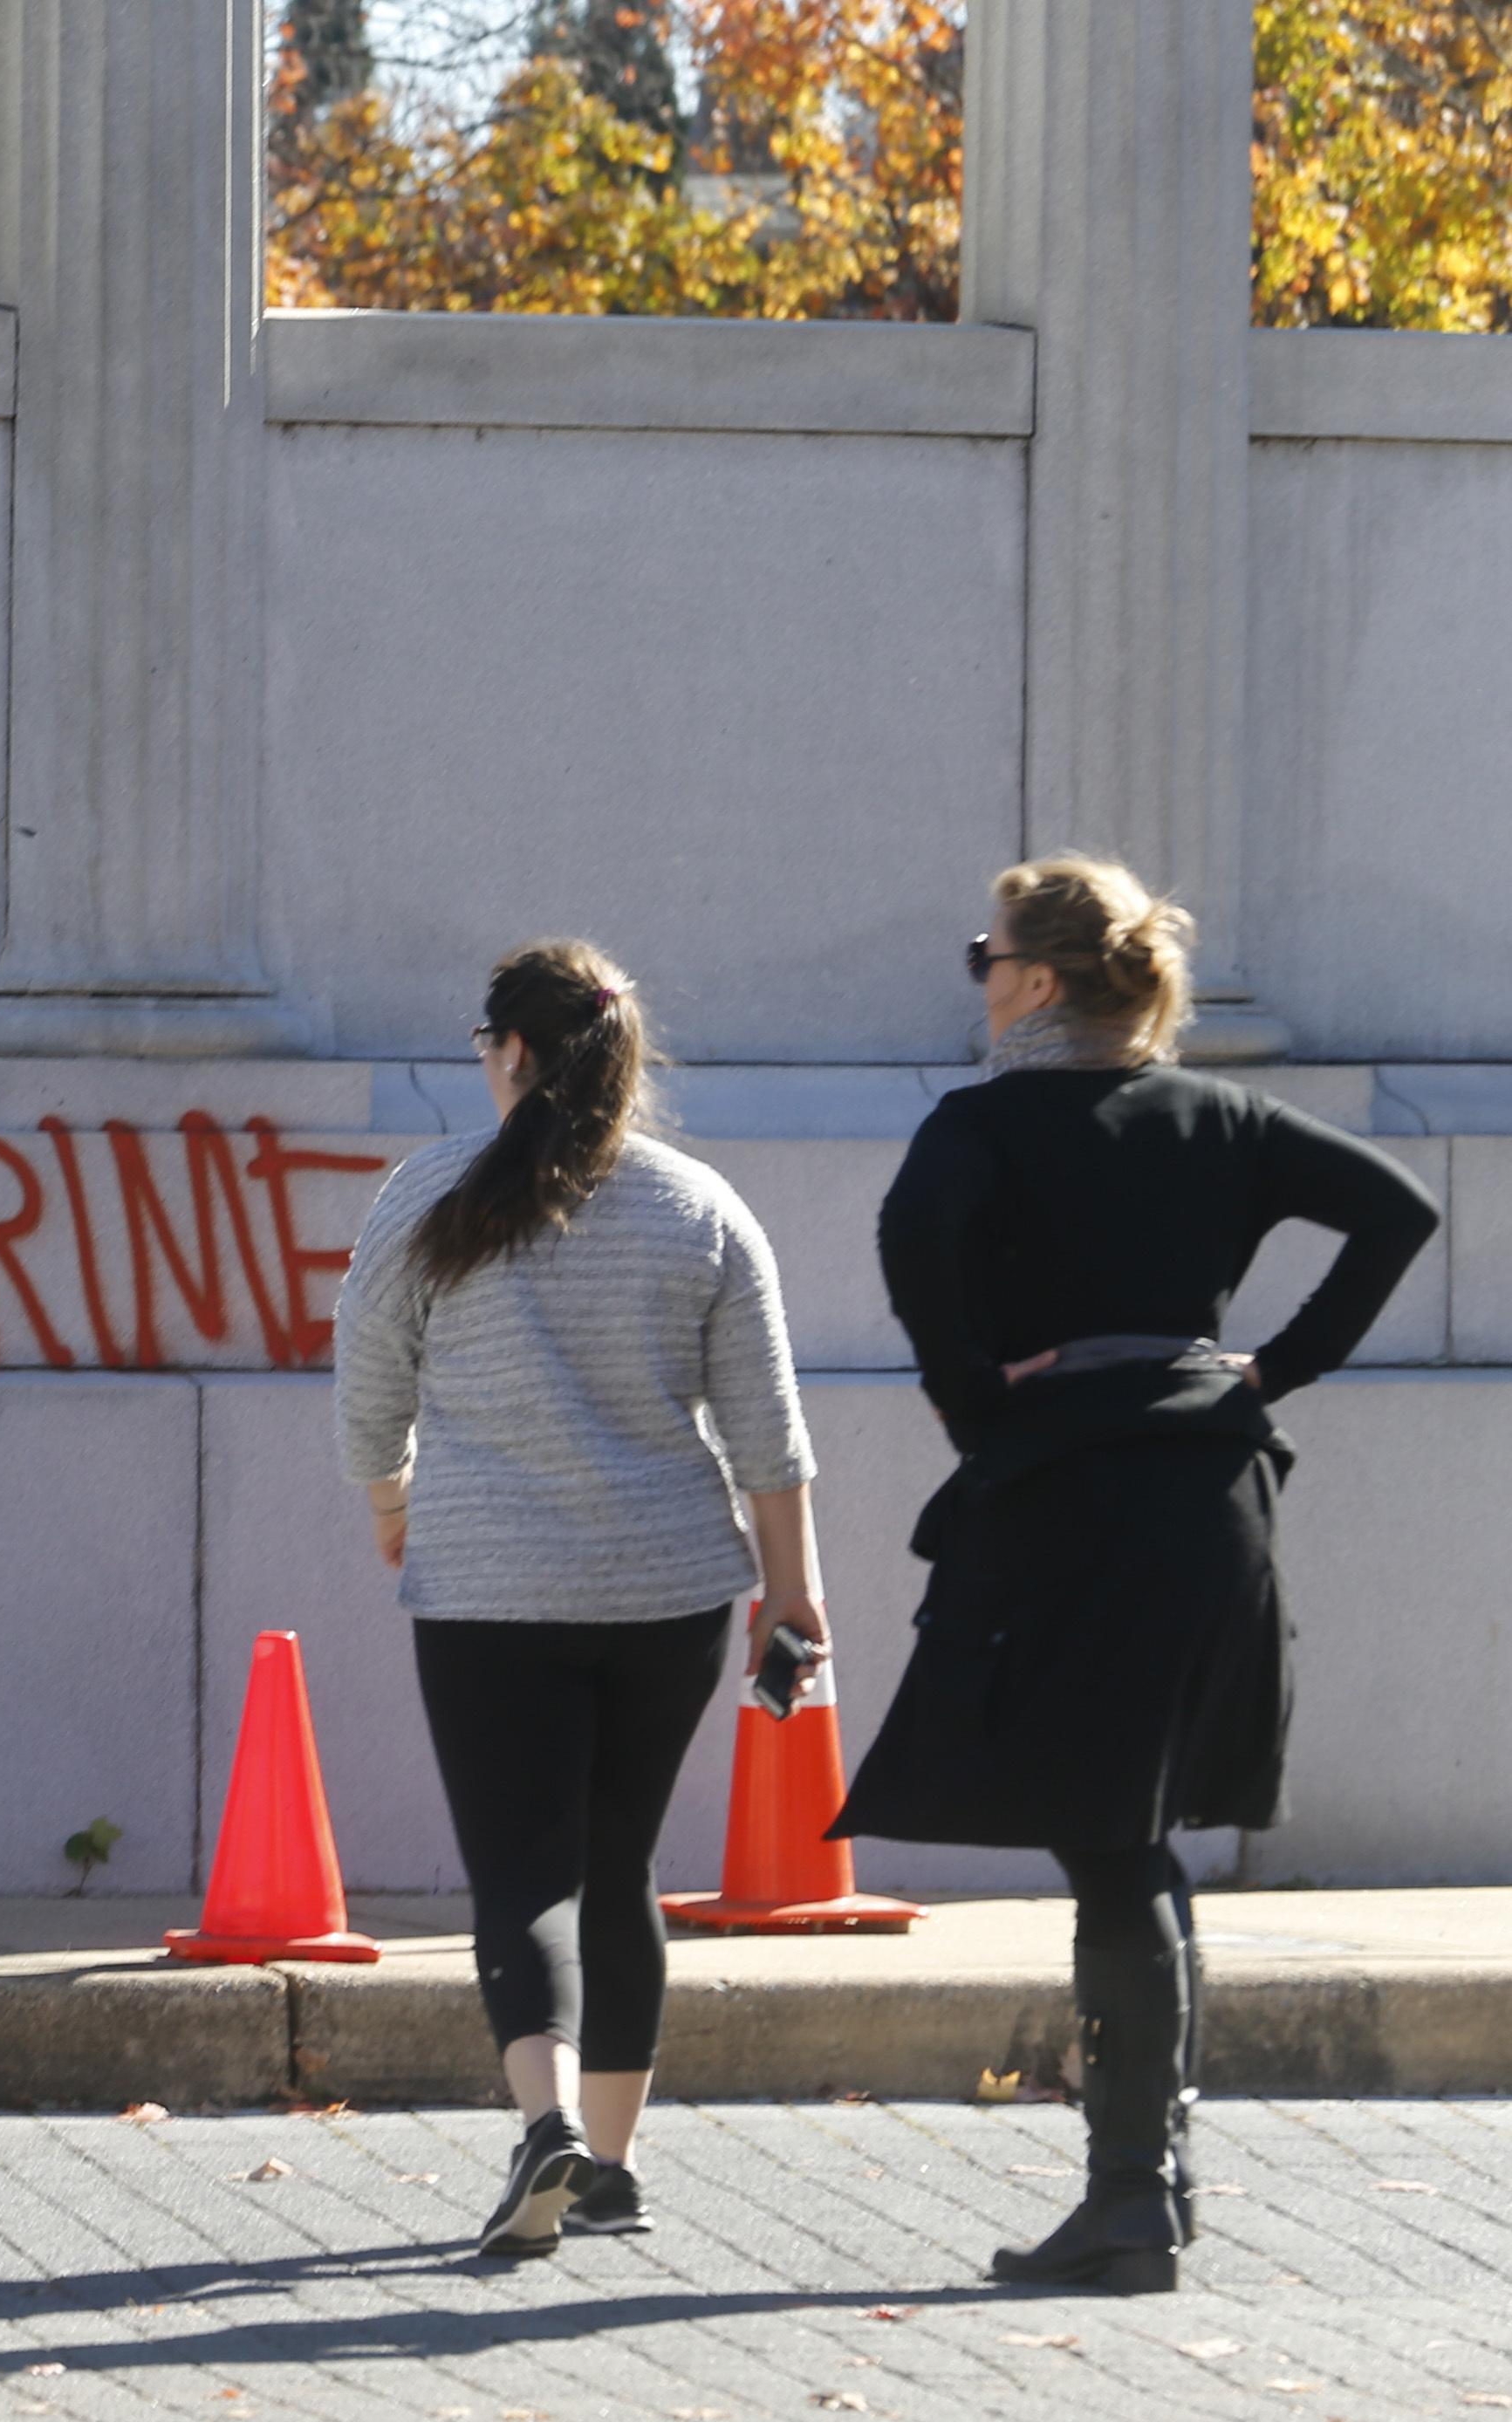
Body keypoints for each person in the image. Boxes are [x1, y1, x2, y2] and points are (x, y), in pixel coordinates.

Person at [837, 857, 1436, 2296]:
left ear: (1038, 980)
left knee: (1113, 1846)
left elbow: (911, 1239)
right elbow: (1399, 1210)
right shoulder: (1218, 1115)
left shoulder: (983, 1125)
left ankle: (1129, 2200)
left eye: (987, 953)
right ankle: (1151, 2176)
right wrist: (1267, 1370)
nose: (979, 977)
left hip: (1076, 1504)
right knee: (1138, 1839)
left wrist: (976, 1396)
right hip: (1214, 1501)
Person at [332, 940, 823, 2261]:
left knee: (521, 1870)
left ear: (511, 1054)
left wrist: (393, 1507)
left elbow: (370, 1397)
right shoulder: (698, 1205)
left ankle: (540, 2124)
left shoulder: (428, 1199)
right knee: (623, 1867)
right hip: (667, 1593)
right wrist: (795, 1595)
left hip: (490, 1585)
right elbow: (768, 1427)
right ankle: (610, 2167)